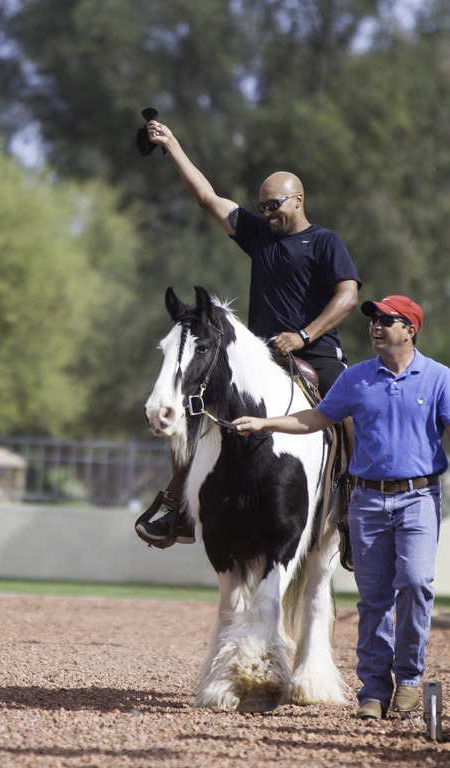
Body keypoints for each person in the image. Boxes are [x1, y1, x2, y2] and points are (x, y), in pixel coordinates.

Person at [136, 119, 361, 547]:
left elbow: (348, 296)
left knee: (350, 413)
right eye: (262, 207)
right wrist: (173, 145)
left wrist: (303, 336)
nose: (267, 213)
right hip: (260, 356)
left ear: (298, 199)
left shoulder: (325, 242)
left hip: (316, 354)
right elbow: (207, 198)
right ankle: (178, 505)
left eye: (274, 205)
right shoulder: (259, 235)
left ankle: (352, 511)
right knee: (195, 408)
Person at [234, 295, 450, 720]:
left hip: (419, 498)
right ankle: (374, 691)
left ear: (410, 330)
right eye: (373, 320)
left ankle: (409, 680)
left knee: (415, 583)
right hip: (366, 501)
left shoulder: (439, 378)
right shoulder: (356, 378)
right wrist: (264, 423)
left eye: (386, 320)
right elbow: (315, 418)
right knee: (373, 599)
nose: (376, 326)